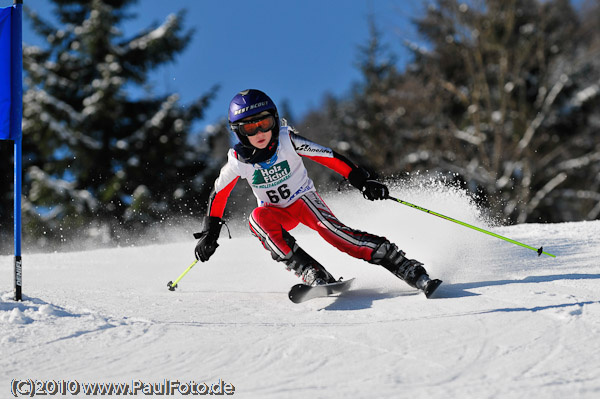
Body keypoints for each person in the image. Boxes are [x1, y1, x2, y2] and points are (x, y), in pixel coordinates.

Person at [194, 89, 437, 294]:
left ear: (274, 120)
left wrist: (362, 181)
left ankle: (402, 264)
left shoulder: (287, 141)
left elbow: (329, 157)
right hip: (275, 212)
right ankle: (311, 271)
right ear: (238, 131)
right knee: (256, 220)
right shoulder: (238, 160)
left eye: (264, 123)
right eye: (250, 128)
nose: (259, 133)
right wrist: (210, 232)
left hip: (304, 201)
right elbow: (219, 193)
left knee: (336, 235)